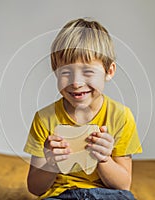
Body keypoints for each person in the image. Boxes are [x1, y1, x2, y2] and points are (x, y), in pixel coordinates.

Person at [24, 18, 142, 200]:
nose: (76, 83)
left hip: (106, 195)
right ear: (55, 71)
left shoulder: (121, 117)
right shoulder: (44, 119)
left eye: (88, 72)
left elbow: (123, 185)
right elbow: (35, 188)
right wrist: (51, 164)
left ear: (109, 72)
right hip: (60, 195)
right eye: (66, 72)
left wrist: (104, 159)